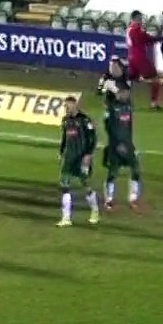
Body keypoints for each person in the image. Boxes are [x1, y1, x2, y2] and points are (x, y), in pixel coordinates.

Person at [56, 97, 100, 227]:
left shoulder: (85, 120)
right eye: (65, 106)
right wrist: (61, 152)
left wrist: (88, 155)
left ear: (75, 105)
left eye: (68, 106)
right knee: (64, 186)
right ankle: (66, 218)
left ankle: (95, 211)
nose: (66, 108)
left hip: (81, 158)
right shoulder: (65, 120)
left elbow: (92, 139)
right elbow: (65, 138)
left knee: (86, 185)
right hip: (69, 158)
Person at [102, 89, 142, 211]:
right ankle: (109, 199)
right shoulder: (111, 108)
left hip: (128, 145)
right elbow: (109, 129)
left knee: (136, 170)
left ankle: (133, 198)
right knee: (113, 173)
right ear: (118, 94)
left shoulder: (128, 106)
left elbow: (129, 127)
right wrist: (117, 144)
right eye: (123, 92)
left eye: (127, 92)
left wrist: (130, 143)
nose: (126, 95)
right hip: (116, 146)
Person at [125, 11, 163, 110]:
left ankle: (125, 101)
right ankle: (154, 104)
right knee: (155, 79)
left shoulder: (129, 29)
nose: (141, 21)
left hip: (131, 57)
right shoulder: (136, 30)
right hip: (140, 58)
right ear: (135, 19)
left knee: (131, 80)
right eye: (140, 19)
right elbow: (147, 39)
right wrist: (161, 37)